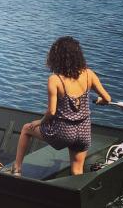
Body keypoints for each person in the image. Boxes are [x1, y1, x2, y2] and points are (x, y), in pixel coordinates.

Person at [12, 36, 111, 176]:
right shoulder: (89, 74)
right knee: (77, 171)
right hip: (83, 132)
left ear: (57, 58)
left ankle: (16, 169)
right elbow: (107, 98)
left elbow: (51, 112)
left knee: (27, 128)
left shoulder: (55, 80)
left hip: (63, 133)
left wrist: (39, 122)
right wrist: (100, 101)